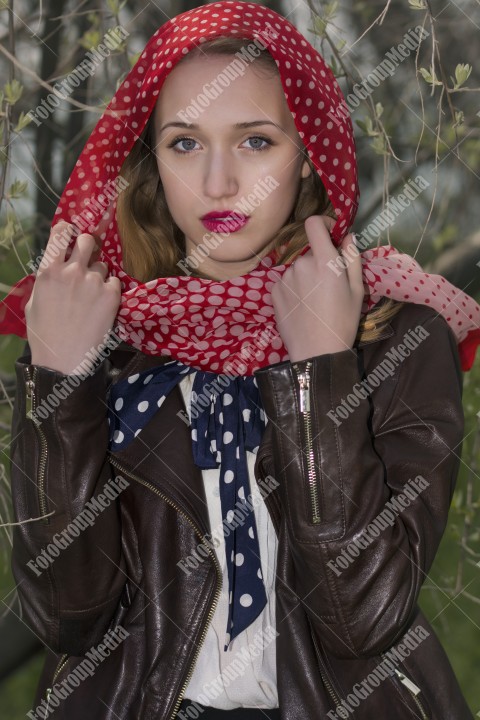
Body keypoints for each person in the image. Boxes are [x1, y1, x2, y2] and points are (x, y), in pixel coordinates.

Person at [2, 1, 480, 718]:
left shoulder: (400, 339)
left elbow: (362, 620)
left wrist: (320, 369)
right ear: (150, 161)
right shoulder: (104, 337)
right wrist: (63, 383)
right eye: (185, 144)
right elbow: (68, 615)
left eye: (256, 142)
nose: (221, 183)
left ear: (310, 152)